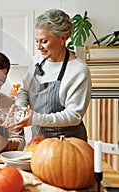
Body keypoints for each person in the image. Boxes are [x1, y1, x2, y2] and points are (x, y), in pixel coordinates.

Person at [15, 9, 92, 141]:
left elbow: (74, 116)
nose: (39, 47)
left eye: (44, 41)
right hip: (38, 141)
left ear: (62, 38)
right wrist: (20, 109)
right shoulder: (36, 61)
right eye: (36, 41)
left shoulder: (78, 70)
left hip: (67, 145)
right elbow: (24, 91)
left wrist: (36, 118)